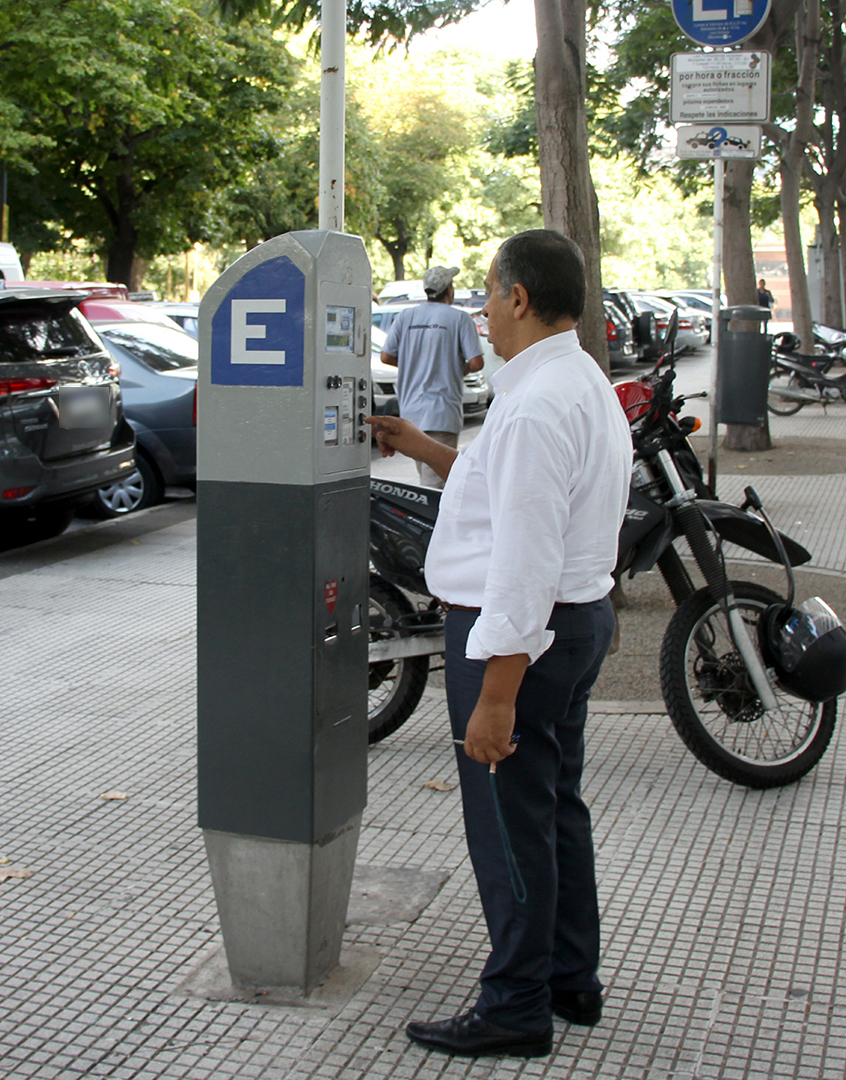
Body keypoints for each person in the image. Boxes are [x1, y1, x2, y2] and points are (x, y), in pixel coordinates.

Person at [366, 229, 631, 1060]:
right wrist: (420, 446)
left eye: (488, 291)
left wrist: (496, 696)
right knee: (554, 809)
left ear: (519, 297)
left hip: (522, 637)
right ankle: (569, 979)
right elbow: (505, 496)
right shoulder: (578, 382)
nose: (481, 307)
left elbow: (523, 564)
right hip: (576, 622)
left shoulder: (536, 406)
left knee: (510, 823)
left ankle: (516, 1004)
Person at [379, 265, 484, 488]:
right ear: (449, 290)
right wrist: (458, 368)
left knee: (426, 477)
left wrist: (413, 363)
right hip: (442, 413)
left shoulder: (406, 316)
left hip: (411, 413)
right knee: (435, 486)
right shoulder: (459, 318)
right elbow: (476, 362)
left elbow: (386, 356)